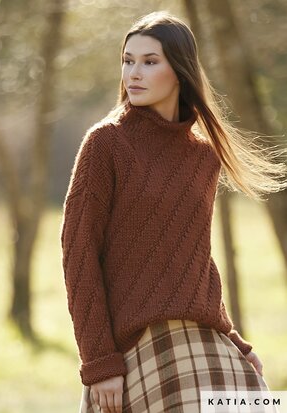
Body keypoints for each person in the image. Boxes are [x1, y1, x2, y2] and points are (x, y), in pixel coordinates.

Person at [60, 10, 287, 413]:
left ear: (179, 71)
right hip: (133, 350)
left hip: (199, 339)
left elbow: (194, 260)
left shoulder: (203, 156)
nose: (134, 73)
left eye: (150, 62)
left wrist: (233, 340)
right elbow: (78, 257)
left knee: (263, 404)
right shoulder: (106, 144)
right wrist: (98, 364)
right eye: (128, 61)